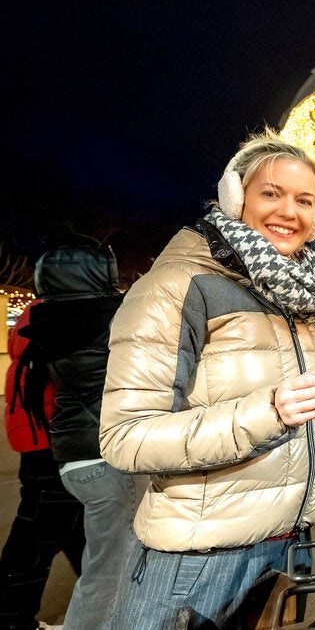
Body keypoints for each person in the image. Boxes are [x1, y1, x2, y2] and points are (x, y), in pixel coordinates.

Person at [98, 130, 315, 628]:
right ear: (235, 197)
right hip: (200, 564)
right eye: (271, 193)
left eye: (304, 200)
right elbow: (124, 438)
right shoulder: (177, 286)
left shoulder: (299, 297)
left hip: (292, 555)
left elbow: (291, 433)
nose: (289, 212)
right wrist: (267, 412)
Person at [19, 236, 140, 630]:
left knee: (114, 567)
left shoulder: (50, 321)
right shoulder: (109, 318)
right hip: (107, 462)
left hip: (74, 459)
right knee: (106, 576)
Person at [1, 300, 85, 630]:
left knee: (67, 532)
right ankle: (12, 619)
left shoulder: (28, 343)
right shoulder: (54, 335)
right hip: (52, 448)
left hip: (35, 446)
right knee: (37, 539)